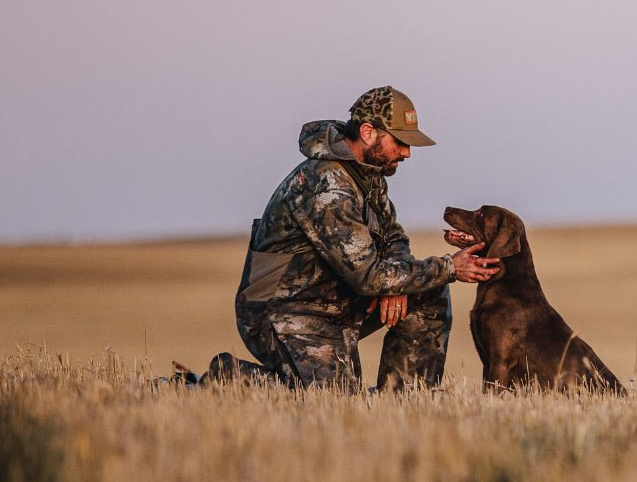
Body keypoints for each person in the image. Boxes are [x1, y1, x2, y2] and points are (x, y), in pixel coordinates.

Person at [210, 86, 499, 390]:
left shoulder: (367, 175)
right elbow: (368, 276)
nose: (407, 153)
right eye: (400, 142)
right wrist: (450, 267)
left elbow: (394, 238)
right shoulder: (328, 185)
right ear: (368, 132)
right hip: (281, 310)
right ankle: (228, 380)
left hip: (332, 297)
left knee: (429, 293)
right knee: (333, 401)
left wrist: (396, 285)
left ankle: (406, 401)